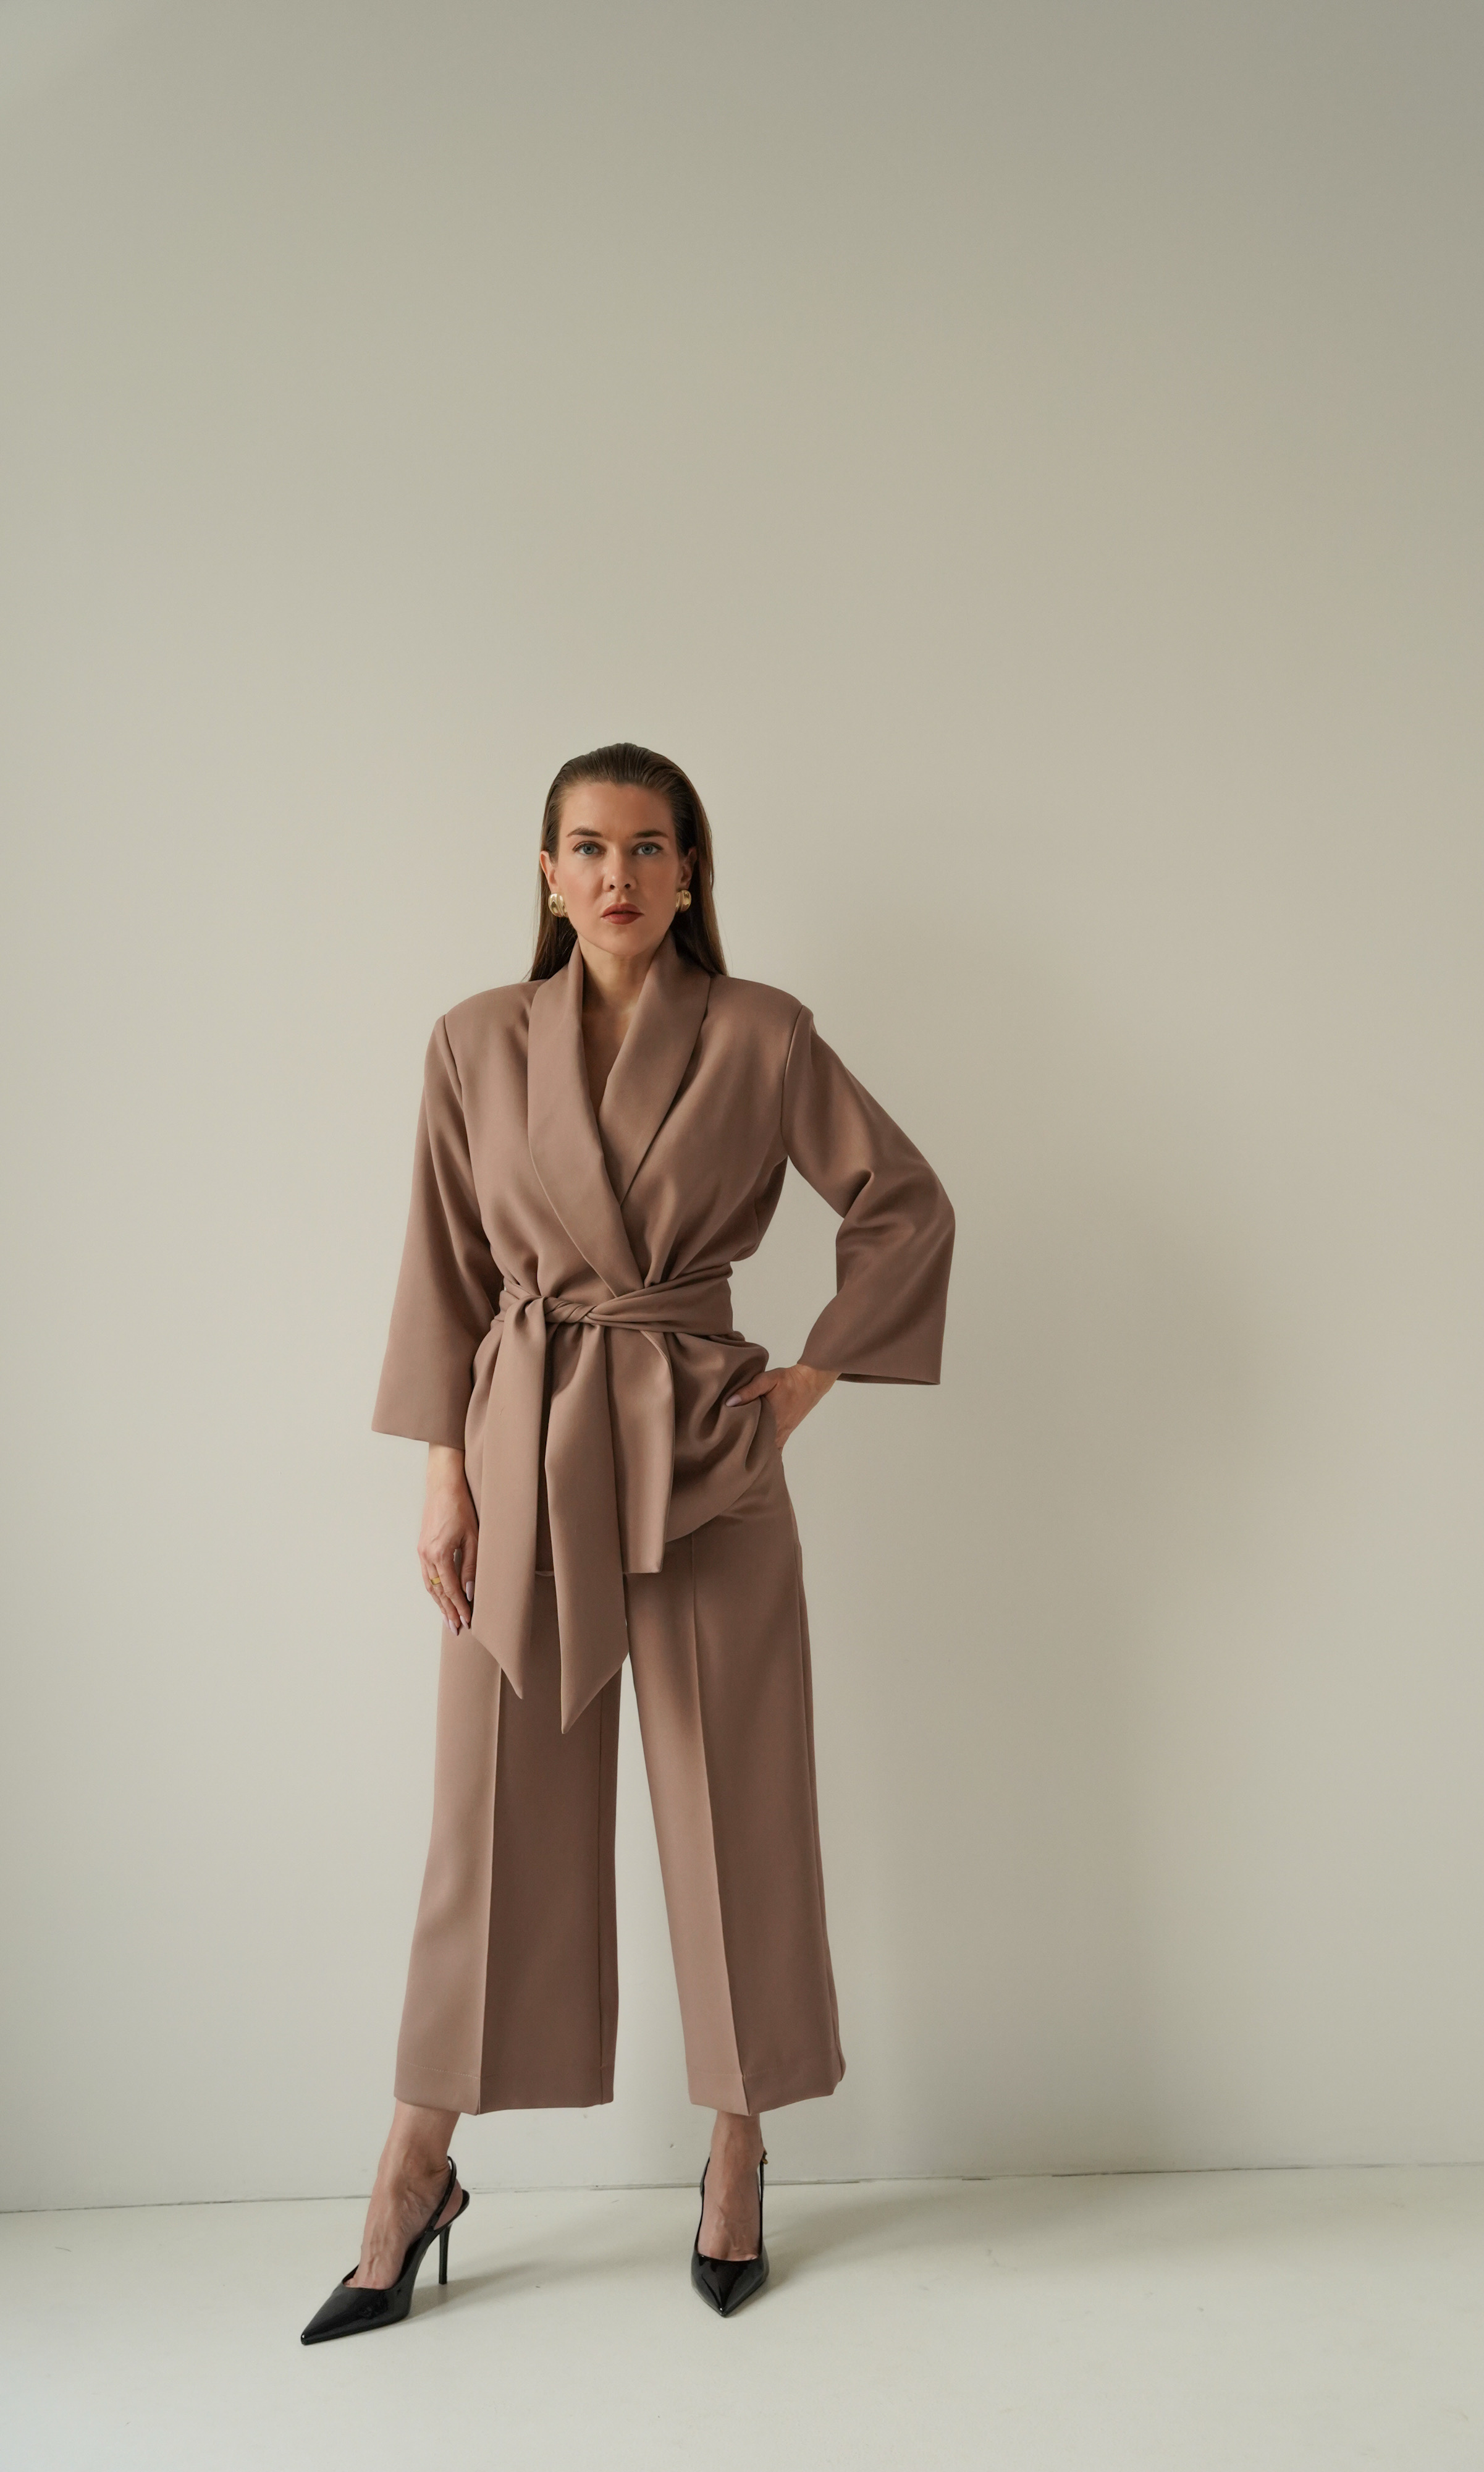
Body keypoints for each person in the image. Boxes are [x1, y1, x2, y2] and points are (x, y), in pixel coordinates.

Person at [301, 741, 955, 2342]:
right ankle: (414, 2163)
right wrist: (443, 1474)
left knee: (737, 1806)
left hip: (704, 1449)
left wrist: (805, 1384)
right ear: (547, 873)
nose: (618, 875)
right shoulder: (473, 1041)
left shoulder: (762, 1033)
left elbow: (904, 1206)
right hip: (521, 1451)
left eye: (649, 847)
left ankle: (737, 2145)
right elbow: (446, 1266)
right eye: (588, 847)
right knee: (487, 1824)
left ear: (689, 872)